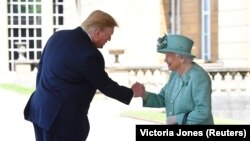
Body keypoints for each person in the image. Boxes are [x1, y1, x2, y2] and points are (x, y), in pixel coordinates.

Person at [24, 10, 138, 141]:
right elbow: (106, 86)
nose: (109, 39)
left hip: (39, 110)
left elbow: (41, 70)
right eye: (109, 35)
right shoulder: (90, 54)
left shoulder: (57, 36)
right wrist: (132, 92)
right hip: (63, 123)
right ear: (97, 32)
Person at [133, 34, 214, 125]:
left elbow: (203, 112)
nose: (165, 60)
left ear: (181, 58)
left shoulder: (199, 77)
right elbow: (163, 98)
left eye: (168, 55)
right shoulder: (175, 74)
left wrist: (177, 119)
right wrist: (144, 94)